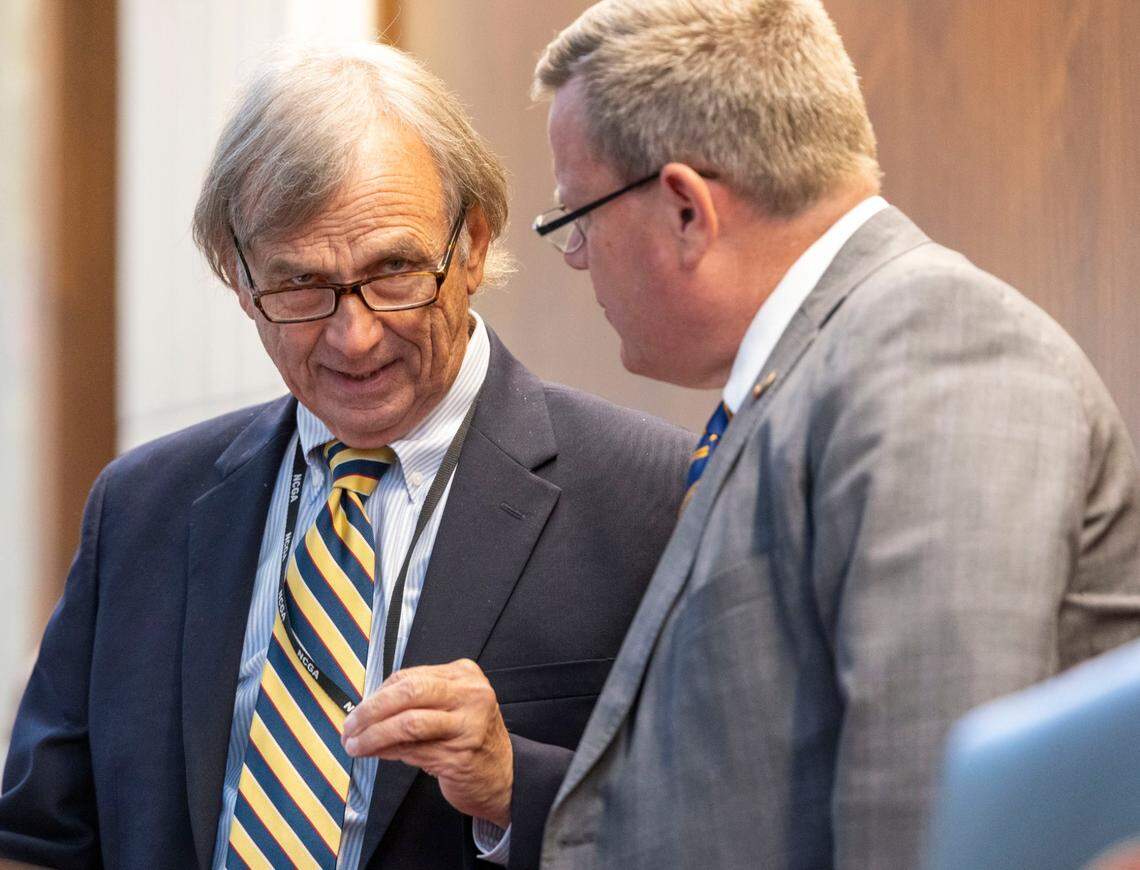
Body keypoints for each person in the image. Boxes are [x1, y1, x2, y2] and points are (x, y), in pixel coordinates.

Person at [0, 43, 690, 870]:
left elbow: (735, 827)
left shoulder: (653, 497)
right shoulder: (141, 508)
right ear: (236, 276)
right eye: (300, 287)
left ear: (471, 244)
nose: (353, 336)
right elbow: (40, 836)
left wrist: (518, 786)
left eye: (394, 271)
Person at [530, 1, 1140, 867]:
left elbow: (926, 813)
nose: (578, 256)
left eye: (574, 218)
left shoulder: (934, 345)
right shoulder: (824, 369)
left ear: (684, 211)